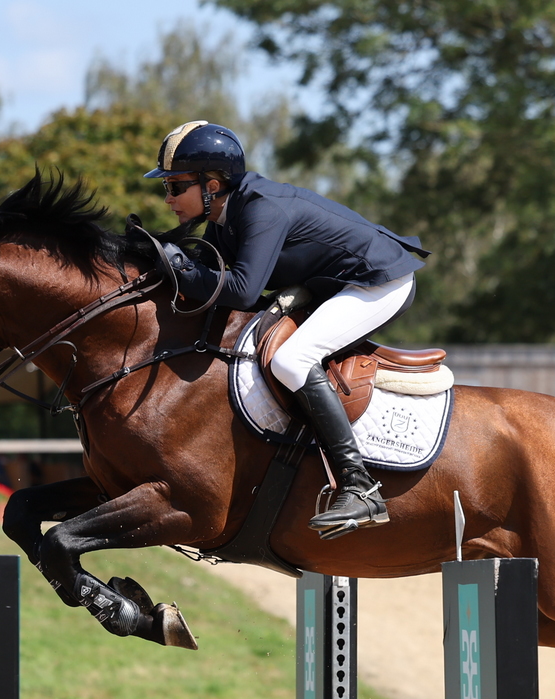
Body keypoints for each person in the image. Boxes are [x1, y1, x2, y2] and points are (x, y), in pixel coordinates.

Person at [145, 120, 429, 538]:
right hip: (330, 284)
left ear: (212, 184)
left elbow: (242, 292)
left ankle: (359, 485)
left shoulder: (261, 207)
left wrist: (182, 270)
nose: (168, 199)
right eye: (165, 188)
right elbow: (216, 284)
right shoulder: (224, 216)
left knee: (292, 360)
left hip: (379, 281)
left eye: (174, 187)